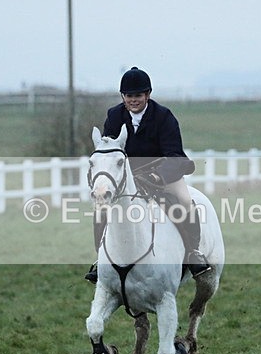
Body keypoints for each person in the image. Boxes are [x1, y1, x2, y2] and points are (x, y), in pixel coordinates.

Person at [85, 67, 211, 283]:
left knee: (184, 201)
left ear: (148, 94)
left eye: (138, 95)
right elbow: (109, 152)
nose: (133, 100)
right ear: (123, 96)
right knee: (101, 206)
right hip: (128, 178)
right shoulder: (115, 115)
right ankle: (101, 259)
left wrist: (157, 176)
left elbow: (174, 155)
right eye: (129, 96)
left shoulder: (163, 117)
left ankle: (193, 252)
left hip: (162, 173)